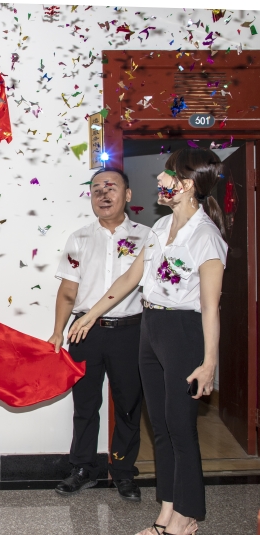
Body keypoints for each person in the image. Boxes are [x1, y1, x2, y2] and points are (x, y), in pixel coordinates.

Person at [68, 148, 228, 535]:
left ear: (186, 184)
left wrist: (209, 363)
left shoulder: (206, 237)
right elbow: (129, 279)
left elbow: (211, 307)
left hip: (183, 331)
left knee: (181, 428)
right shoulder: (160, 227)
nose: (159, 178)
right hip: (151, 327)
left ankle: (187, 517)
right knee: (160, 427)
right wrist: (89, 315)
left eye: (168, 173)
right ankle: (167, 512)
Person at [50, 168, 150, 501]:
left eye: (111, 188)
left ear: (128, 195)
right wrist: (57, 332)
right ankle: (83, 468)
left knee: (128, 406)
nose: (103, 195)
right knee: (85, 405)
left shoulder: (148, 237)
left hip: (130, 332)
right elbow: (68, 291)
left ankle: (123, 471)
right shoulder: (79, 238)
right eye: (96, 190)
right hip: (85, 333)